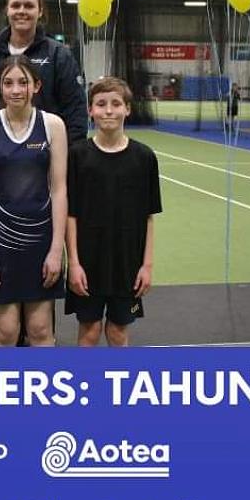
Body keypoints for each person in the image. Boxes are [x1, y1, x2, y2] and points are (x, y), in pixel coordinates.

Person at [0, 56, 68, 347]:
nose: (15, 90)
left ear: (36, 86)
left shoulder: (53, 125)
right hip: (1, 242)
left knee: (40, 330)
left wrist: (56, 250)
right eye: (8, 83)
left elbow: (59, 190)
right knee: (6, 331)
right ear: (0, 88)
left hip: (41, 241)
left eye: (22, 82)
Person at [65, 77, 162, 348]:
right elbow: (70, 216)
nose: (108, 110)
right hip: (88, 263)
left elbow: (148, 216)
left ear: (127, 109)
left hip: (126, 263)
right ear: (90, 110)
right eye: (101, 104)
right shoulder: (77, 156)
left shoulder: (144, 157)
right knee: (90, 331)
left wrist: (146, 266)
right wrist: (74, 264)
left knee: (118, 332)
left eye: (116, 104)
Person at [0, 0, 87, 140]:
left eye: (29, 6)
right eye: (15, 6)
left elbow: (75, 110)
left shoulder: (59, 55)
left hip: (45, 151)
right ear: (7, 10)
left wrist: (70, 151)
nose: (21, 11)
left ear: (40, 11)